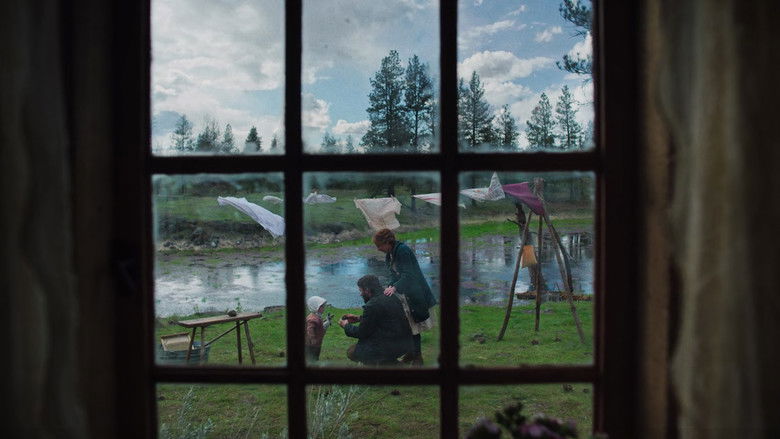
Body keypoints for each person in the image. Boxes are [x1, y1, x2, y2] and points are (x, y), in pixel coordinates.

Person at [373, 228, 437, 365]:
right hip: (405, 293)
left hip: (415, 293)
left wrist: (395, 287)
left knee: (414, 326)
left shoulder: (403, 251)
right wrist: (390, 286)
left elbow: (409, 275)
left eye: (379, 246)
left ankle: (418, 358)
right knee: (406, 325)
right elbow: (394, 275)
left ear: (387, 242)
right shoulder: (390, 254)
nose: (378, 249)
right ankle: (411, 352)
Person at [338, 275, 414, 366]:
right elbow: (384, 319)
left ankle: (390, 364)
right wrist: (359, 318)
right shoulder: (391, 296)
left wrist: (346, 326)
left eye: (361, 290)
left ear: (367, 289)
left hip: (390, 345)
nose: (360, 294)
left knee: (352, 352)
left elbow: (361, 332)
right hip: (404, 343)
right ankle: (391, 363)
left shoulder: (372, 305)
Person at [305, 296, 333, 362]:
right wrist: (313, 340)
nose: (323, 308)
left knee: (315, 358)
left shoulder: (316, 316)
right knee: (311, 359)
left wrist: (327, 321)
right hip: (311, 345)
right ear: (315, 307)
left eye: (323, 306)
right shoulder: (312, 319)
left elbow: (320, 327)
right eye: (321, 306)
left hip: (316, 343)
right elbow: (310, 330)